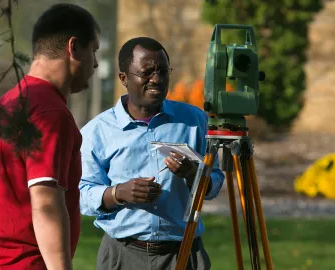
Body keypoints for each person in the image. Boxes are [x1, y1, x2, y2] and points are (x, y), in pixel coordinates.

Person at [0, 3, 100, 270]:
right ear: (73, 48)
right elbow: (46, 203)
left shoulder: (8, 103)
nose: (96, 63)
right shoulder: (49, 112)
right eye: (94, 51)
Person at [79, 37, 225, 270]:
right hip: (122, 255)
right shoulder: (97, 131)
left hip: (184, 252)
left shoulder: (195, 121)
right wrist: (119, 193)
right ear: (124, 78)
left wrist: (193, 174)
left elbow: (215, 182)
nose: (156, 80)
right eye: (146, 73)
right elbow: (82, 194)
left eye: (163, 71)